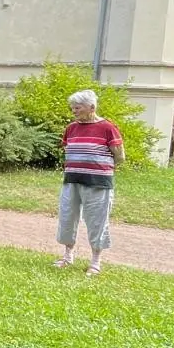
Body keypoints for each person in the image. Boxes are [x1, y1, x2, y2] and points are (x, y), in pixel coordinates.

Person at [55, 89, 124, 275]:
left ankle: (95, 261)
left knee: (97, 220)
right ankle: (67, 256)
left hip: (98, 182)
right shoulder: (71, 128)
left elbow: (119, 156)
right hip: (72, 180)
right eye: (72, 108)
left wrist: (101, 169)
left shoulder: (108, 128)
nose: (74, 111)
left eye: (78, 107)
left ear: (91, 107)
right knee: (67, 217)